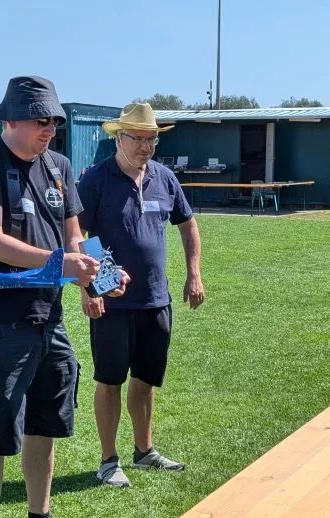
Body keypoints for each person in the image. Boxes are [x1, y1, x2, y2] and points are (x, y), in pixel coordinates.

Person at [0, 75, 129, 518]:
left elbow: (75, 236)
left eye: (54, 119)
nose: (49, 128)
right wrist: (60, 266)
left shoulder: (59, 166)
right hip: (0, 321)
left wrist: (99, 278)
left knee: (45, 426)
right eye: (40, 119)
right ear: (10, 119)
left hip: (48, 319)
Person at [77, 102, 205, 488]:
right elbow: (77, 237)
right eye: (139, 139)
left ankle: (144, 451)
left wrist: (193, 275)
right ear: (119, 137)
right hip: (112, 302)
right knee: (110, 380)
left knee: (146, 379)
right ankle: (108, 460)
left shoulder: (165, 178)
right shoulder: (95, 180)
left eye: (152, 139)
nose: (147, 146)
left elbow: (188, 225)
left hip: (156, 300)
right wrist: (93, 287)